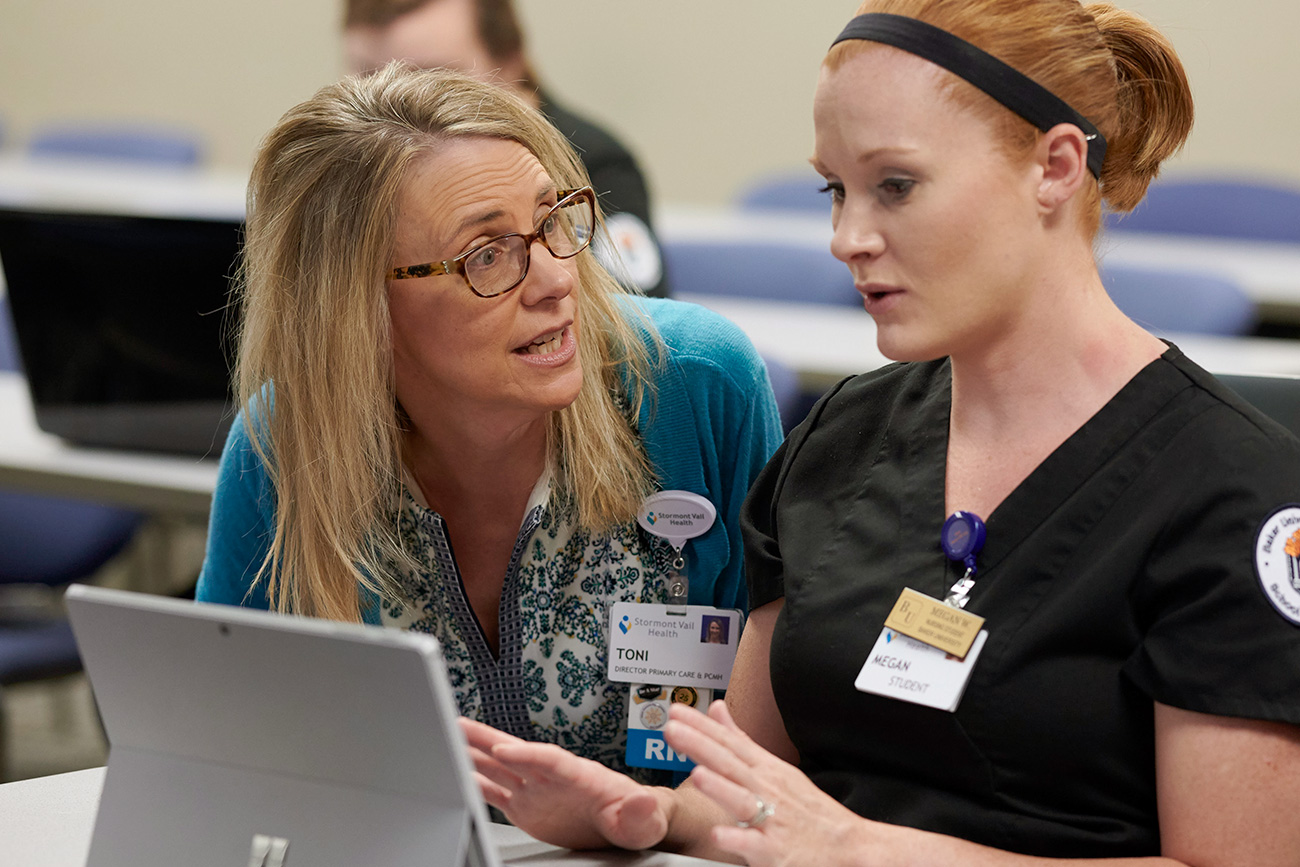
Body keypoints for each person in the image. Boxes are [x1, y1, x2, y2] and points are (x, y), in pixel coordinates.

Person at [460, 1, 1300, 863]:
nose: (846, 237)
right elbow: (751, 790)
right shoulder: (842, 436)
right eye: (836, 189)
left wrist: (863, 850)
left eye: (894, 185)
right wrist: (649, 811)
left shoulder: (1233, 492)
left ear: (1055, 166)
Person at [195, 62, 783, 780]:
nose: (558, 279)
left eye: (552, 221)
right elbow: (228, 751)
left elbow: (787, 752)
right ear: (355, 308)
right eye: (488, 254)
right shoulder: (287, 444)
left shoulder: (695, 385)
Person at [342, 0, 671, 298]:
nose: (396, 111)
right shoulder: (348, 182)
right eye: (370, 78)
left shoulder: (595, 166)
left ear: (510, 64)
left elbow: (635, 329)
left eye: (434, 82)